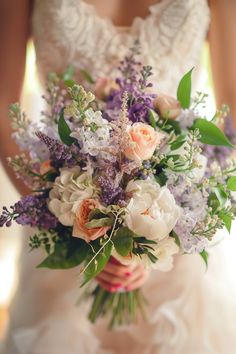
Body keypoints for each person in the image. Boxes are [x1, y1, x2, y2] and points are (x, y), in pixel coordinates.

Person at [0, 1, 236, 353]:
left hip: (177, 241)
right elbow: (3, 102)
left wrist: (172, 221)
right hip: (64, 222)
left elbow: (232, 105)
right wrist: (62, 213)